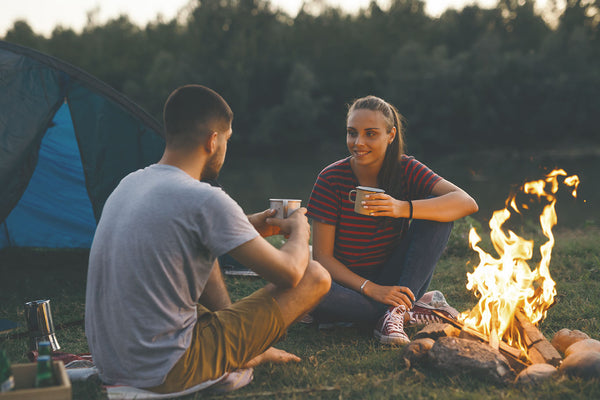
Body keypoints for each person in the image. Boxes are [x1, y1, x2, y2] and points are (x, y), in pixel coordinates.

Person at [85, 84, 331, 394]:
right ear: (213, 140)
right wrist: (300, 228)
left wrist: (245, 225)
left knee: (203, 254)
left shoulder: (131, 183)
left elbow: (184, 237)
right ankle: (238, 351)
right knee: (316, 275)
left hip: (113, 361)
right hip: (166, 369)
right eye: (227, 140)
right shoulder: (205, 199)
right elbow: (291, 272)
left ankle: (239, 346)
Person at [306, 95, 478, 345]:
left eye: (371, 134)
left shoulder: (405, 169)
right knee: (311, 291)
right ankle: (405, 310)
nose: (358, 142)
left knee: (438, 212)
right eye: (352, 133)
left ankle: (395, 312)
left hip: (393, 278)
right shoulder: (331, 179)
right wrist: (371, 288)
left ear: (391, 135)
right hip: (345, 284)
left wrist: (401, 208)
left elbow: (466, 202)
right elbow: (323, 259)